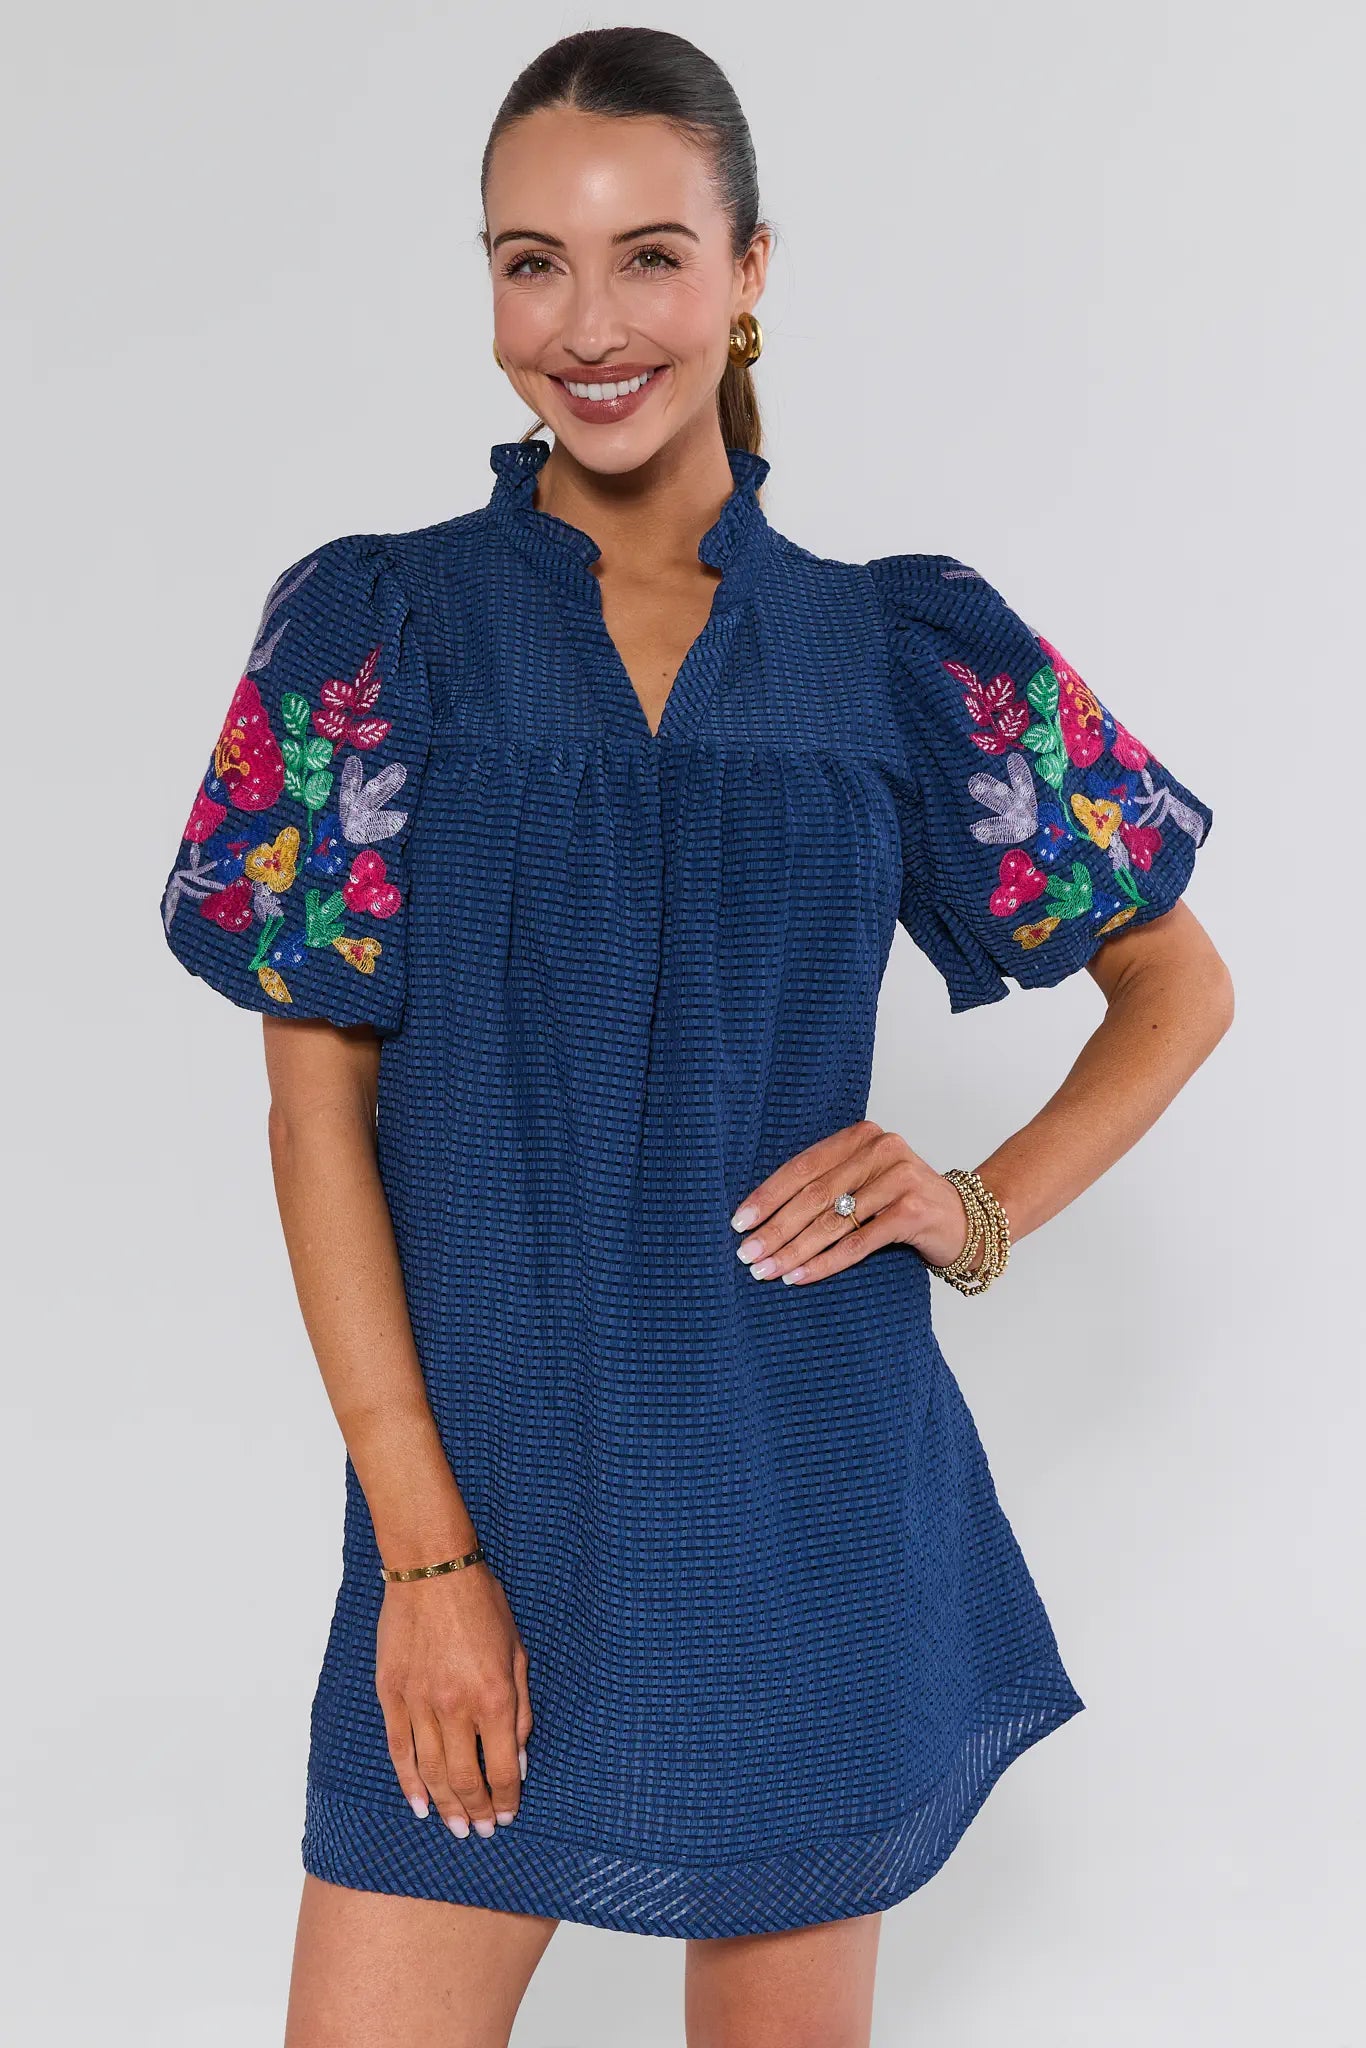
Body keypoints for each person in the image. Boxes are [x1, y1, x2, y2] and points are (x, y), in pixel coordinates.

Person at [156, 25, 1232, 2048]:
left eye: (649, 256)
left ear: (748, 272)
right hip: (481, 1504)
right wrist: (422, 1552)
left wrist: (977, 1203)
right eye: (526, 263)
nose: (585, 322)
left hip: (801, 1498)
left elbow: (1178, 981)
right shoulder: (370, 634)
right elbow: (315, 1110)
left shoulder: (889, 650)